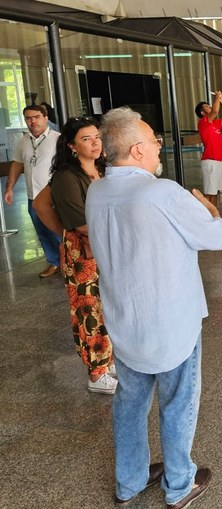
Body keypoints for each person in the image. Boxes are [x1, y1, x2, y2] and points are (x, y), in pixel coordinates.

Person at [86, 106, 222, 508]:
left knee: (130, 402)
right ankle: (179, 485)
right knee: (178, 402)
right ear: (136, 150)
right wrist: (212, 213)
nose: (159, 147)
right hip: (170, 323)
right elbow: (215, 237)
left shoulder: (97, 191)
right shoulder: (161, 192)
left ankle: (128, 481)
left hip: (125, 320)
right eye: (153, 141)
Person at [36, 117, 118, 394]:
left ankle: (107, 360)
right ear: (71, 146)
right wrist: (64, 232)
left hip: (105, 245)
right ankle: (96, 374)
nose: (95, 143)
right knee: (89, 309)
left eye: (97, 137)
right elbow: (76, 221)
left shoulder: (101, 168)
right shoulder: (67, 177)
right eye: (86, 139)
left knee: (107, 305)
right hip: (84, 252)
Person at [3, 105, 61, 278]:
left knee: (59, 231)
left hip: (53, 196)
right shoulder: (23, 141)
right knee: (42, 233)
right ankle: (54, 262)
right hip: (32, 196)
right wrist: (9, 188)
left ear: (45, 118)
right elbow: (17, 164)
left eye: (36, 117)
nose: (32, 121)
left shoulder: (58, 139)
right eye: (28, 118)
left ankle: (71, 263)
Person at [194, 90, 222, 208]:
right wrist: (217, 97)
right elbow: (215, 111)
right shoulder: (203, 122)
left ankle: (215, 215)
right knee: (209, 193)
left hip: (218, 161)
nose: (209, 106)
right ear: (202, 112)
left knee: (214, 192)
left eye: (209, 104)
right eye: (206, 106)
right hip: (209, 161)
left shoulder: (215, 123)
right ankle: (205, 215)